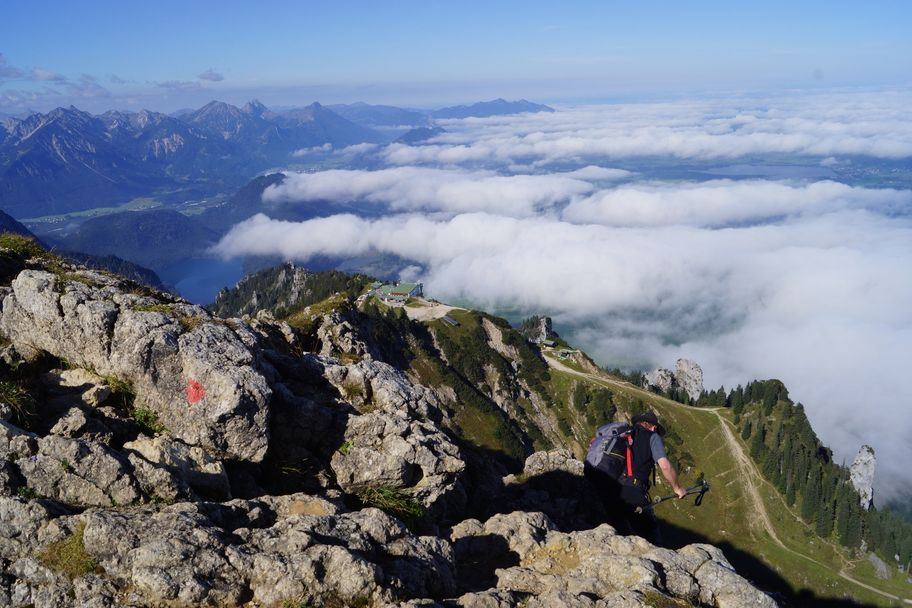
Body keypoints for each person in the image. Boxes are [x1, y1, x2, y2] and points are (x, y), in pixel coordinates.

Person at [585, 411, 686, 543]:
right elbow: (665, 465)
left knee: (616, 536)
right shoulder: (653, 436)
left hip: (609, 489)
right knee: (651, 541)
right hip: (632, 492)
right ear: (654, 427)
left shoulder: (623, 434)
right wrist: (677, 488)